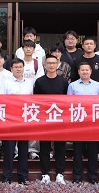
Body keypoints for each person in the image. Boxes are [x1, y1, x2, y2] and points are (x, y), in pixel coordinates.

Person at [34, 55, 68, 184]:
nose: (51, 65)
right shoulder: (39, 81)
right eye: (49, 63)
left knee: (60, 147)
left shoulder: (63, 82)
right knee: (44, 147)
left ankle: (60, 173)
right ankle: (45, 174)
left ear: (58, 64)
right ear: (45, 65)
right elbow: (36, 100)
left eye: (54, 63)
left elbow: (67, 100)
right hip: (44, 118)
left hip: (60, 119)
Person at [67, 62, 99, 183]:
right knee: (78, 152)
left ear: (91, 71)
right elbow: (69, 104)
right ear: (78, 72)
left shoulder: (98, 86)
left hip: (93, 123)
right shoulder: (72, 86)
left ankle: (93, 176)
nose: (85, 72)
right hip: (78, 123)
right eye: (82, 70)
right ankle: (77, 176)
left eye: (87, 70)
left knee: (93, 151)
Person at [0, 59, 33, 184]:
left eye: (20, 67)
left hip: (24, 119)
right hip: (10, 120)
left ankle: (22, 176)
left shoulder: (29, 83)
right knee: (9, 149)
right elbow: (1, 101)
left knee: (24, 149)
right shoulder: (6, 83)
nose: (18, 69)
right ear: (11, 69)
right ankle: (7, 176)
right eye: (16, 67)